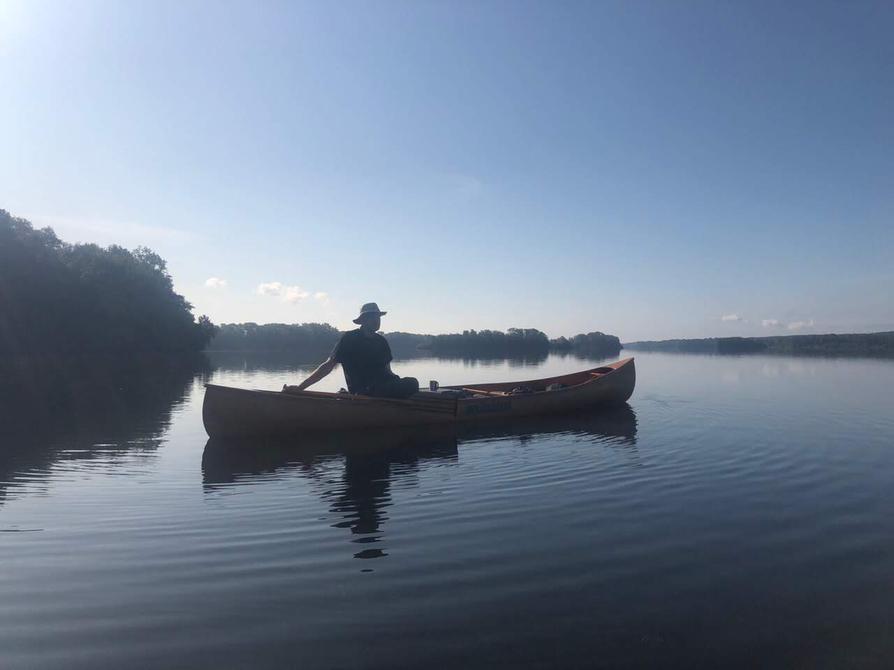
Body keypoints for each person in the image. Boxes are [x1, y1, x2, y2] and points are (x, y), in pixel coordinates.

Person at [285, 302, 420, 399]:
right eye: (372, 317)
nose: (376, 320)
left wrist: (397, 383)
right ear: (363, 320)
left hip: (385, 386)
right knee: (409, 385)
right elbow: (328, 365)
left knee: (412, 382)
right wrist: (300, 387)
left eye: (378, 317)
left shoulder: (381, 341)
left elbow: (388, 370)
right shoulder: (350, 338)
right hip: (364, 390)